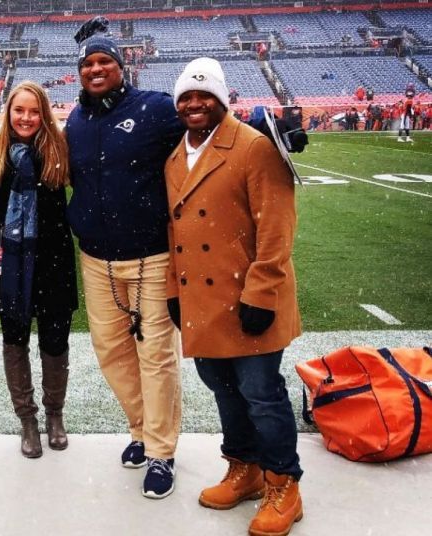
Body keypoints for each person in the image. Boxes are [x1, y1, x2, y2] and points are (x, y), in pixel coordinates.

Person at [165, 57, 303, 536]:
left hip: (249, 300)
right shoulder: (173, 157)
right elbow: (172, 232)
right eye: (186, 96)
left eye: (205, 96)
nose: (195, 104)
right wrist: (172, 293)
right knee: (224, 391)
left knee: (262, 394)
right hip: (202, 303)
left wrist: (262, 291)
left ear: (222, 100)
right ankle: (243, 468)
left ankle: (284, 482)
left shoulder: (253, 147)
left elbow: (277, 225)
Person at [64, 17, 184, 500]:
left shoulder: (154, 109)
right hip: (96, 259)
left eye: (104, 61)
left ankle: (161, 451)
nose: (96, 69)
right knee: (112, 353)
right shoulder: (75, 119)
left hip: (152, 257)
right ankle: (140, 429)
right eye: (89, 63)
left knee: (156, 356)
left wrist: (266, 125)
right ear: (80, 71)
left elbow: (206, 124)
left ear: (121, 65)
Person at [0, 81, 77, 458]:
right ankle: (27, 419)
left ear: (44, 114)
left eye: (34, 111)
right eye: (19, 110)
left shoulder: (59, 148)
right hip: (11, 261)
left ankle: (55, 415)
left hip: (54, 258)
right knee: (15, 338)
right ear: (8, 112)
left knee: (55, 342)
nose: (26, 118)